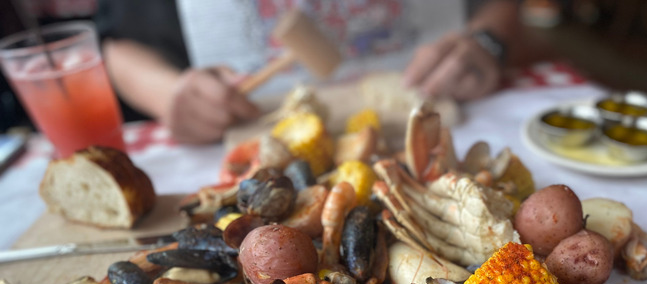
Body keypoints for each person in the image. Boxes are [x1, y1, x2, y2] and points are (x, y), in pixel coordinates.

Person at [97, 0, 525, 145]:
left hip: (464, 113)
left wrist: (488, 41)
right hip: (236, 133)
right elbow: (119, 39)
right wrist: (169, 93)